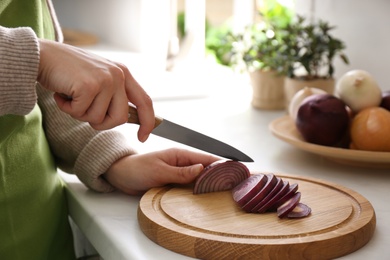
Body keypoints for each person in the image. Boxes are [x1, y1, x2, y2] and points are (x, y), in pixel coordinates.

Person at [0, 1, 219, 259]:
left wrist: (115, 161)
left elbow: (48, 94)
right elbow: (38, 67)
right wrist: (31, 58)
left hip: (41, 229)